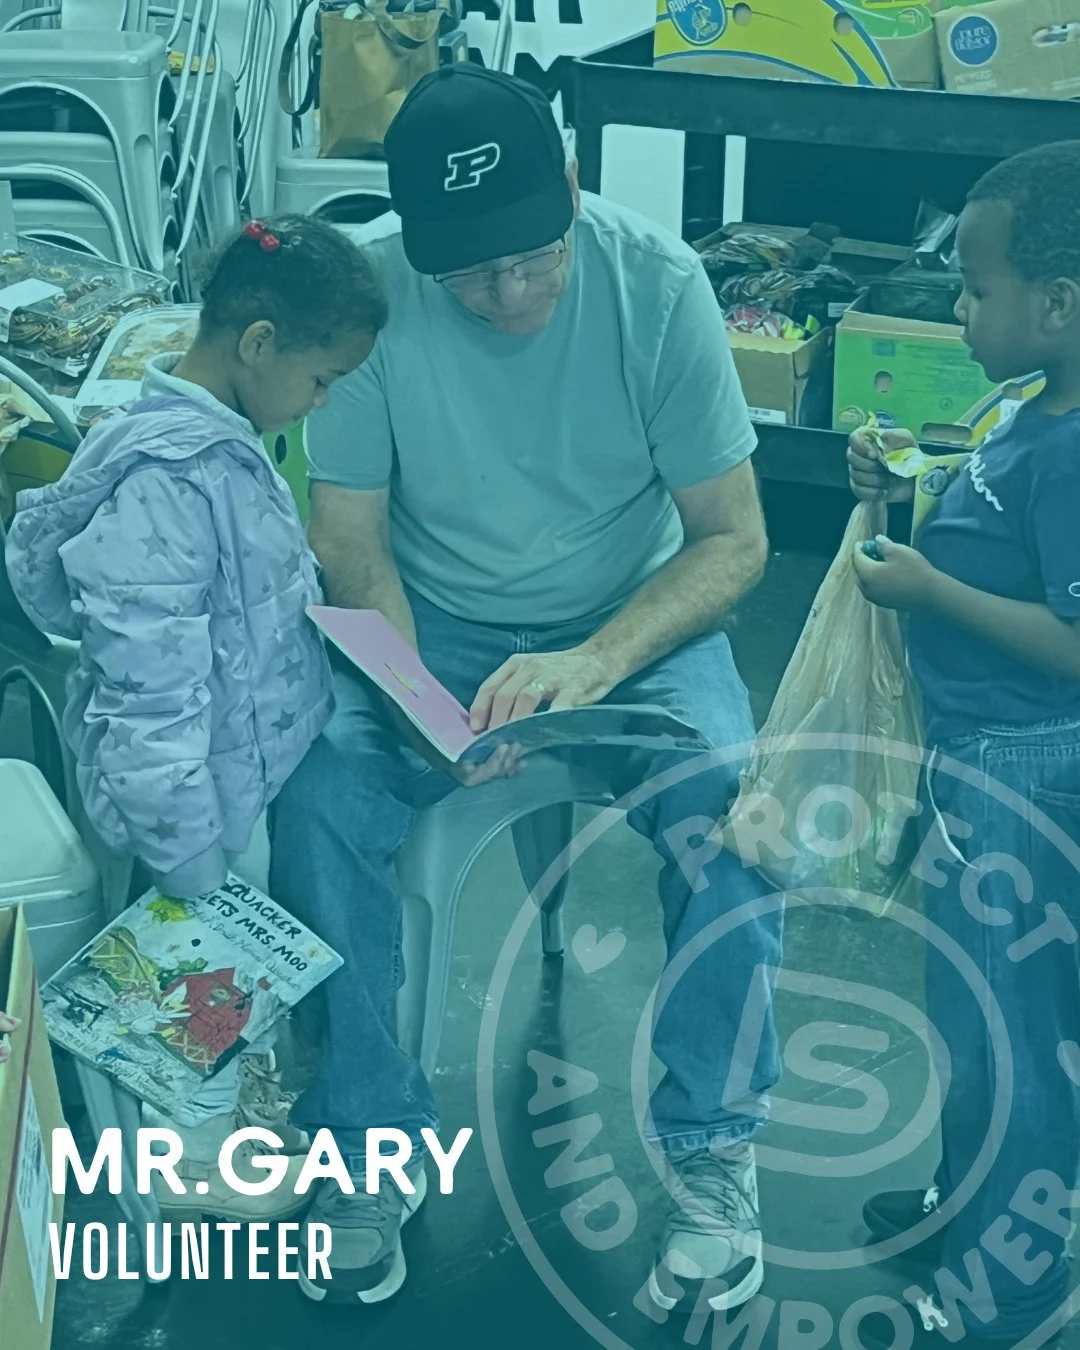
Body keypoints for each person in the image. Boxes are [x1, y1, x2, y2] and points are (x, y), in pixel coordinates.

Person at [268, 65, 781, 1311]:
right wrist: (411, 694)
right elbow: (352, 538)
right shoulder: (371, 300)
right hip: (434, 616)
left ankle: (715, 1146)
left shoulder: (657, 285)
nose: (505, 298)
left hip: (629, 616)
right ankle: (365, 1146)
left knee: (732, 810)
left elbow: (733, 539)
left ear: (572, 186)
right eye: (468, 274)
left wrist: (597, 659)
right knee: (318, 793)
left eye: (530, 260)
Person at [5, 214, 387, 1224]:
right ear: (258, 344)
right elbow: (149, 694)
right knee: (196, 973)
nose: (322, 401)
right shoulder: (168, 485)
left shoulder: (217, 447)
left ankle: (215, 1115)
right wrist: (185, 852)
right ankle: (194, 1157)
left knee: (222, 975)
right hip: (196, 801)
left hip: (237, 773)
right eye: (320, 379)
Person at [848, 142, 1080, 1349]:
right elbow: (992, 509)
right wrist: (907, 480)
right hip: (980, 756)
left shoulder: (1075, 448)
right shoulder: (1033, 409)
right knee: (973, 1018)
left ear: (1059, 303)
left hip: (1021, 767)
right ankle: (969, 1202)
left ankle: (1012, 1283)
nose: (959, 310)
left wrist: (931, 590)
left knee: (1009, 1036)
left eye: (977, 290)